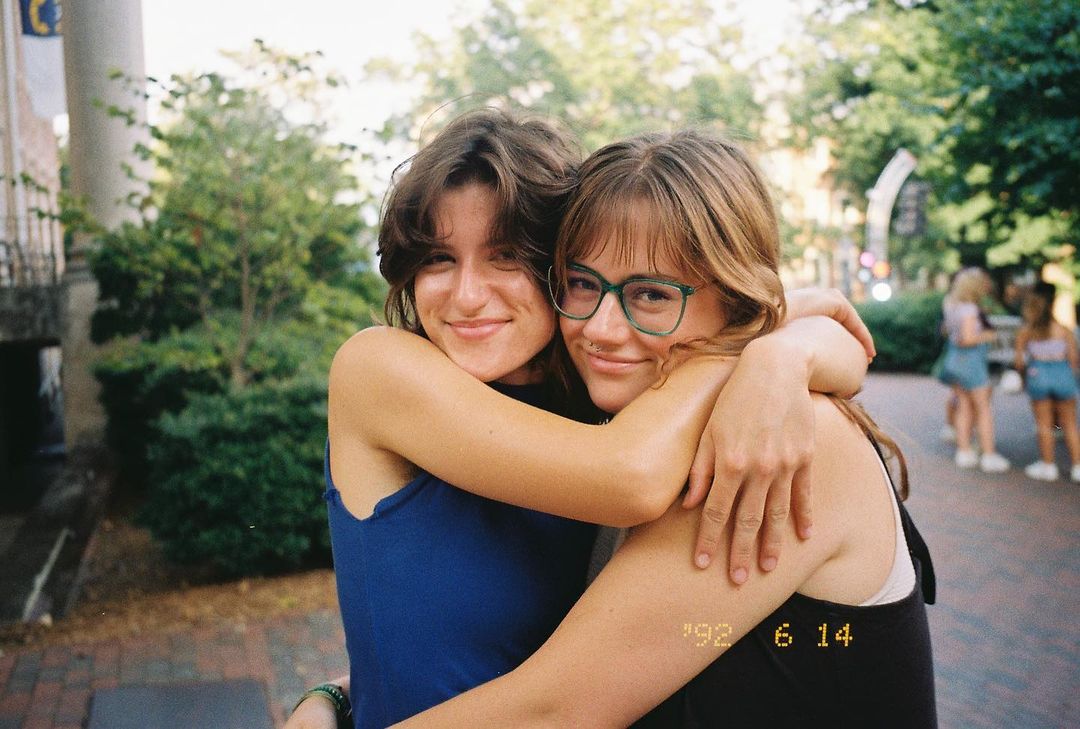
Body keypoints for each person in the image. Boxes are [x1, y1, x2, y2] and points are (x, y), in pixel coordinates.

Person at [285, 111, 873, 729]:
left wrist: (783, 350)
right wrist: (759, 345)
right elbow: (629, 478)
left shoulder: (611, 403)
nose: (467, 296)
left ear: (555, 265)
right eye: (437, 258)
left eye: (506, 256)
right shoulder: (377, 367)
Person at [938, 266, 1010, 473]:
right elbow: (968, 339)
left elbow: (948, 331)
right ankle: (989, 454)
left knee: (963, 406)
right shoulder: (970, 309)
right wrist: (988, 335)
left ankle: (964, 451)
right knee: (983, 408)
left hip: (955, 360)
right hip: (971, 362)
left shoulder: (951, 305)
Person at [1014, 284, 1080, 482]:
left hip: (1038, 375)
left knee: (1044, 424)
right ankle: (1077, 466)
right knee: (1069, 424)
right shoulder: (1064, 330)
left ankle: (1048, 465)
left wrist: (1024, 377)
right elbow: (1074, 359)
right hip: (1063, 375)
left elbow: (1019, 362)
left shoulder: (1026, 331)